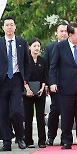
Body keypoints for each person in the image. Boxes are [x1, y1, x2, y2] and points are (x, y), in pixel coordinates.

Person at [49, 22, 77, 149]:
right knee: (67, 115)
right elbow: (53, 66)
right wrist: (52, 83)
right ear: (70, 35)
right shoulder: (60, 47)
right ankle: (67, 140)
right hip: (66, 87)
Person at [0, 16, 30, 151]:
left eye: (12, 25)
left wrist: (26, 79)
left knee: (16, 111)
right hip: (2, 81)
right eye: (7, 25)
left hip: (17, 80)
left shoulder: (22, 42)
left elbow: (26, 63)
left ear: (15, 26)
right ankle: (7, 140)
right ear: (3, 28)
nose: (9, 27)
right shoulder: (0, 42)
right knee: (3, 112)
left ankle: (20, 137)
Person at [43, 21, 68, 146]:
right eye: (61, 31)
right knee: (56, 109)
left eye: (65, 31)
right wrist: (48, 84)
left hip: (69, 84)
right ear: (57, 33)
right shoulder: (50, 48)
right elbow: (46, 67)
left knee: (67, 112)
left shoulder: (73, 46)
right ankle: (51, 136)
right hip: (55, 84)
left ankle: (65, 138)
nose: (63, 33)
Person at [23, 37, 48, 148]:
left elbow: (45, 76)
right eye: (34, 46)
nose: (37, 48)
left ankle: (42, 140)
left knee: (40, 116)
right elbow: (22, 76)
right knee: (28, 116)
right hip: (27, 91)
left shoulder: (43, 61)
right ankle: (28, 141)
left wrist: (43, 87)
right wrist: (27, 88)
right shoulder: (25, 60)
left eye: (38, 46)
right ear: (29, 47)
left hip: (40, 91)